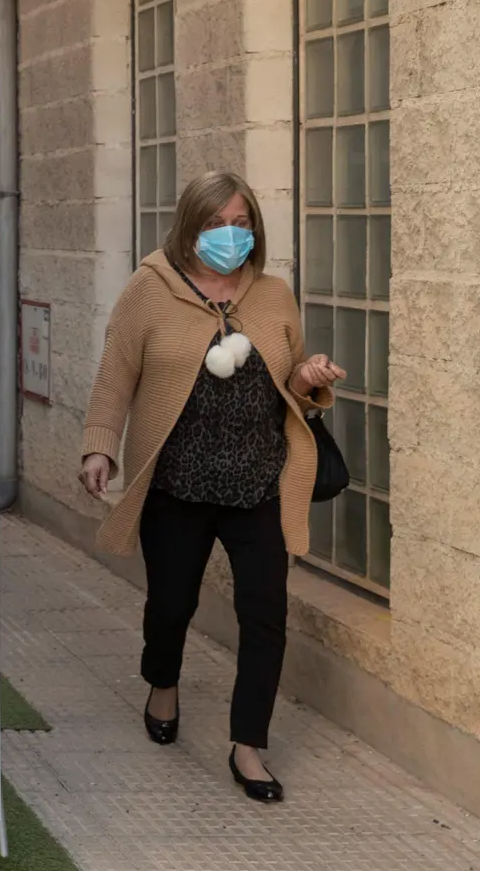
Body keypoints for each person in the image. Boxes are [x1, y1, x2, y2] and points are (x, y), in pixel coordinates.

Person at [79, 170, 345, 804]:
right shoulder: (150, 290)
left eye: (242, 221)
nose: (232, 234)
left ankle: (248, 745)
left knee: (266, 619)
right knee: (170, 606)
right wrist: (98, 444)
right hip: (176, 484)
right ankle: (162, 684)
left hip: (259, 484)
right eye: (217, 223)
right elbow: (116, 373)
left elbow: (290, 383)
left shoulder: (275, 296)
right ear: (188, 228)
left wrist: (309, 376)